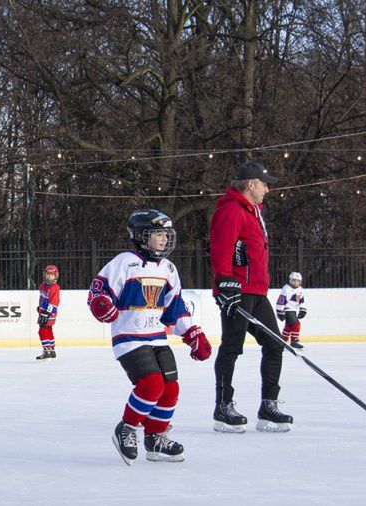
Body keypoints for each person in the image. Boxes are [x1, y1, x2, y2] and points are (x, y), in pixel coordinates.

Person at [88, 209, 211, 465]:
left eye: (166, 234)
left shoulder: (168, 269)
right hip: (129, 338)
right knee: (151, 385)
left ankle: (155, 438)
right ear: (142, 237)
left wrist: (192, 333)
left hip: (156, 338)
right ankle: (127, 428)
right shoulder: (124, 262)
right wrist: (101, 303)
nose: (164, 239)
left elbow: (174, 308)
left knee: (170, 389)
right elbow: (99, 289)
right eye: (158, 234)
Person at [209, 161, 293, 434]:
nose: (268, 189)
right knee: (232, 346)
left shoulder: (254, 211)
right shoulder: (232, 211)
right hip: (238, 292)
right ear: (251, 184)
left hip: (257, 291)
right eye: (265, 183)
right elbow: (221, 247)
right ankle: (223, 407)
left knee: (274, 344)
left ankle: (268, 405)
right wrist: (224, 281)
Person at [277, 272, 307, 349]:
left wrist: (302, 309)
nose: (296, 282)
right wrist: (280, 311)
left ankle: (283, 339)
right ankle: (294, 341)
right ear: (290, 280)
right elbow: (281, 300)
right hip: (287, 310)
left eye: (298, 281)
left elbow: (301, 301)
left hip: (294, 310)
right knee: (296, 324)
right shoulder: (286, 289)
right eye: (294, 280)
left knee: (289, 326)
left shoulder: (300, 290)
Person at [36, 265, 60, 360]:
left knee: (42, 331)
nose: (49, 277)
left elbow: (54, 301)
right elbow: (43, 298)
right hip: (43, 311)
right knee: (48, 330)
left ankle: (47, 350)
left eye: (52, 275)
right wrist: (40, 307)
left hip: (49, 313)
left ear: (56, 276)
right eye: (47, 274)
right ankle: (52, 350)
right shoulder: (42, 285)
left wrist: (47, 312)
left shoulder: (55, 287)